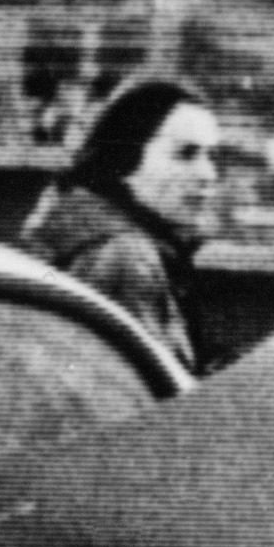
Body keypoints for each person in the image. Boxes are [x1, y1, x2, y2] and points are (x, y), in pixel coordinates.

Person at [18, 76, 222, 369]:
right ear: (125, 158)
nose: (208, 174)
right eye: (185, 154)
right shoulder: (126, 255)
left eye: (212, 156)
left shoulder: (83, 228)